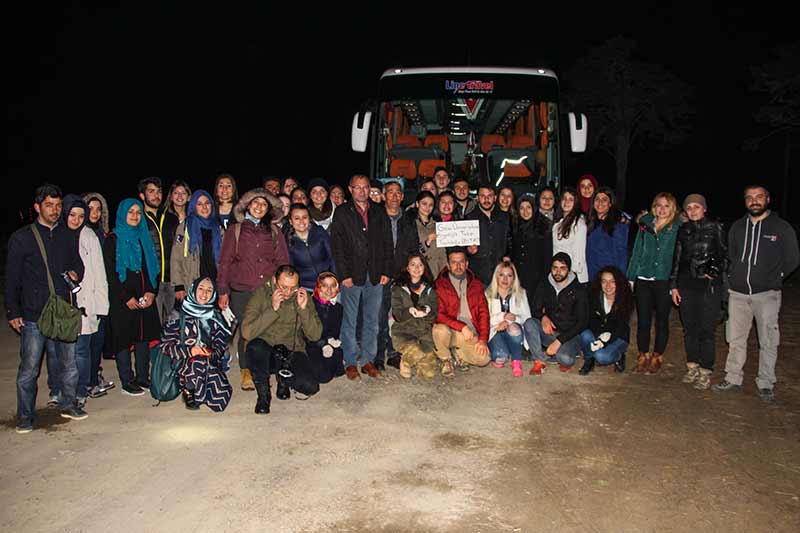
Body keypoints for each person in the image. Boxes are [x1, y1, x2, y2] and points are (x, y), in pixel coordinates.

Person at [6, 184, 87, 432]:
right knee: (29, 369)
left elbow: (78, 265)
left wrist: (76, 272)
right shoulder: (22, 238)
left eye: (58, 205)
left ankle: (69, 403)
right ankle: (25, 416)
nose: (54, 210)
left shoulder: (66, 235)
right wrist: (13, 311)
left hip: (62, 311)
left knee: (69, 363)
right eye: (49, 205)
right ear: (37, 207)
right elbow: (12, 278)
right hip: (34, 314)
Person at [714, 185, 799, 401]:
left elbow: (792, 259)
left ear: (768, 199)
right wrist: (733, 279)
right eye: (750, 197)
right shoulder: (737, 227)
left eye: (759, 197)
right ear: (745, 201)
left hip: (767, 294)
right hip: (738, 294)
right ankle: (733, 378)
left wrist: (775, 278)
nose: (754, 201)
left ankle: (766, 382)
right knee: (735, 338)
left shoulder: (780, 227)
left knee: (768, 340)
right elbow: (731, 256)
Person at [217, 188, 289, 391]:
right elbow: (225, 262)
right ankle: (246, 370)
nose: (259, 207)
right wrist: (223, 291)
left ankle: (267, 368)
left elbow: (283, 261)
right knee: (247, 331)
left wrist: (285, 287)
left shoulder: (274, 231)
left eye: (264, 204)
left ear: (268, 210)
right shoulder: (236, 230)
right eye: (255, 203)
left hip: (267, 289)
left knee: (269, 329)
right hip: (242, 290)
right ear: (248, 206)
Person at [329, 174, 393, 379]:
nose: (362, 191)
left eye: (365, 187)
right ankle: (350, 361)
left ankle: (367, 360)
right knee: (349, 321)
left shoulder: (378, 211)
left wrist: (386, 271)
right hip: (351, 275)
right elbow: (337, 247)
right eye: (358, 188)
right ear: (350, 189)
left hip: (375, 275)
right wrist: (344, 275)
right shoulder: (342, 212)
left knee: (372, 320)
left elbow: (387, 243)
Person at [241, 265, 323, 413]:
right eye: (284, 287)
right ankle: (263, 395)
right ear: (274, 280)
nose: (288, 292)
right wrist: (273, 309)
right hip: (266, 351)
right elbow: (246, 332)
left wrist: (304, 310)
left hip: (290, 351)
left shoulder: (302, 296)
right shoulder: (261, 294)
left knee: (310, 387)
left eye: (293, 287)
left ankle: (283, 379)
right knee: (255, 348)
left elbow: (315, 335)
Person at [104, 198, 161, 396]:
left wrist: (152, 291)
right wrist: (125, 297)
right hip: (123, 300)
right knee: (123, 338)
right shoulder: (112, 239)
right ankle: (127, 380)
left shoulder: (143, 236)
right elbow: (110, 273)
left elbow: (154, 266)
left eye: (138, 212)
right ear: (122, 214)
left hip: (145, 297)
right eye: (131, 212)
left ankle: (143, 377)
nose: (135, 216)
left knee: (143, 337)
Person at [669, 194, 727, 390]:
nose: (693, 210)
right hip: (687, 284)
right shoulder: (683, 230)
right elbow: (677, 259)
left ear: (704, 208)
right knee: (690, 328)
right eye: (689, 207)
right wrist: (673, 285)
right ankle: (692, 366)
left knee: (706, 330)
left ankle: (705, 370)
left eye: (696, 206)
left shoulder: (716, 227)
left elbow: (725, 255)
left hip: (708, 286)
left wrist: (714, 270)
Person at [62, 195, 109, 408]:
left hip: (85, 302)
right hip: (60, 304)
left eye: (81, 216)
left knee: (82, 351)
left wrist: (100, 306)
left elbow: (99, 274)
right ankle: (59, 392)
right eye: (72, 214)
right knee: (60, 354)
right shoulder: (56, 235)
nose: (77, 219)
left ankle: (81, 391)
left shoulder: (89, 236)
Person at [160, 277, 234, 411]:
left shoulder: (214, 315)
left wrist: (212, 352)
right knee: (197, 363)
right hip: (184, 361)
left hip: (209, 359)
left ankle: (202, 388)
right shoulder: (178, 314)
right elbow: (166, 345)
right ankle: (189, 389)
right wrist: (191, 351)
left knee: (220, 401)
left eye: (209, 290)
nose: (205, 294)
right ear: (193, 290)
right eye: (201, 289)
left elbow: (221, 342)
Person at [626, 192, 681, 374]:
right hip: (644, 278)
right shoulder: (645, 225)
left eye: (666, 206)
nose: (662, 209)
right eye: (658, 205)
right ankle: (643, 355)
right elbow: (637, 252)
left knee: (662, 321)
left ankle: (657, 355)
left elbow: (679, 257)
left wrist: (675, 282)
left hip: (663, 280)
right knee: (643, 320)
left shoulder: (677, 227)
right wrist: (631, 277)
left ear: (672, 208)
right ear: (653, 207)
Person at [525, 252, 588, 374]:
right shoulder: (544, 285)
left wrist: (559, 341)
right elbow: (534, 309)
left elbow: (582, 322)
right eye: (555, 268)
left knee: (566, 359)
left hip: (569, 336)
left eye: (562, 268)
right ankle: (540, 360)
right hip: (550, 332)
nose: (558, 272)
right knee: (529, 323)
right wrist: (543, 317)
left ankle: (559, 353)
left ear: (569, 270)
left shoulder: (579, 290)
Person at [432, 248, 491, 376]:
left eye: (461, 262)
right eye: (454, 262)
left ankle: (458, 354)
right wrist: (461, 327)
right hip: (451, 331)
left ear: (467, 264)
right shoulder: (440, 284)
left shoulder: (476, 284)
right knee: (439, 331)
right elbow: (438, 314)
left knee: (484, 359)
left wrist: (482, 340)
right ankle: (445, 358)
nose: (458, 266)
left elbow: (483, 313)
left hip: (470, 334)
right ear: (448, 265)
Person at [379, 179, 418, 369]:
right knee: (379, 316)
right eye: (390, 192)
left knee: (397, 316)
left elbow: (413, 248)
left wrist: (408, 274)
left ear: (402, 197)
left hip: (401, 276)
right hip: (380, 275)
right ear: (384, 196)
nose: (394, 196)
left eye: (397, 193)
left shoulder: (408, 220)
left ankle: (395, 352)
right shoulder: (376, 217)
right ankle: (379, 354)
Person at [82, 192, 115, 394]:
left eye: (98, 209)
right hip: (87, 294)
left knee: (98, 341)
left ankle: (94, 377)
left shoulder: (103, 234)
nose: (94, 212)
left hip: (103, 292)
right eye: (90, 208)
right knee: (85, 344)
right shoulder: (79, 233)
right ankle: (85, 382)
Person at [578, 267, 634, 375]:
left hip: (618, 336)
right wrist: (599, 337)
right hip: (599, 333)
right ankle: (589, 360)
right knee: (584, 334)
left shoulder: (626, 299)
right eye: (604, 281)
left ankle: (619, 356)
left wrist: (606, 340)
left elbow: (621, 326)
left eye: (612, 281)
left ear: (618, 282)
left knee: (602, 357)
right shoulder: (594, 296)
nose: (608, 286)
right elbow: (590, 320)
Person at [391, 254, 439, 379]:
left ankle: (417, 358)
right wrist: (409, 311)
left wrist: (427, 311)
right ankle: (406, 360)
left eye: (420, 265)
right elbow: (397, 315)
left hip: (423, 334)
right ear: (407, 268)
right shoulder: (398, 289)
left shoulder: (429, 289)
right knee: (416, 351)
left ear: (424, 267)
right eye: (413, 264)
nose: (416, 268)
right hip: (403, 332)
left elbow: (433, 315)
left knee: (429, 374)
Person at [138, 177, 178, 324]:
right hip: (150, 284)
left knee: (175, 324)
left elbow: (179, 251)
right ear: (142, 196)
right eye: (151, 191)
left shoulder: (171, 219)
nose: (156, 195)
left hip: (172, 281)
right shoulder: (139, 220)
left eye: (159, 191)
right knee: (153, 327)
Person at [171, 190, 222, 302]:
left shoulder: (219, 228)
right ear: (194, 206)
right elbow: (176, 258)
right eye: (199, 204)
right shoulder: (185, 227)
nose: (204, 207)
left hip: (214, 285)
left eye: (207, 203)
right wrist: (179, 285)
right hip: (192, 282)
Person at [486, 261, 532, 377]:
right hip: (495, 331)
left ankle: (516, 361)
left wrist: (510, 320)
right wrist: (501, 317)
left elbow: (527, 318)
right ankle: (504, 350)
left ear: (514, 278)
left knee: (514, 329)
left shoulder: (520, 293)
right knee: (500, 357)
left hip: (513, 331)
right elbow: (484, 320)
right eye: (502, 275)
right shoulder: (488, 294)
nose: (505, 279)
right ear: (496, 276)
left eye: (509, 275)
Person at [512, 192, 553, 300]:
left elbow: (547, 257)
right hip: (519, 278)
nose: (525, 211)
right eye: (521, 208)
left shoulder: (544, 227)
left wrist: (544, 281)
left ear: (534, 208)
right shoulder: (516, 226)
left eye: (528, 207)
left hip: (537, 280)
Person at [466, 185, 510, 286]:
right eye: (482, 196)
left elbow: (510, 240)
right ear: (477, 198)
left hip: (501, 274)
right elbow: (464, 247)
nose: (486, 199)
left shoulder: (504, 217)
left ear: (495, 197)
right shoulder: (469, 218)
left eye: (489, 195)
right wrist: (469, 250)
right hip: (478, 274)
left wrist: (508, 255)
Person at [306, 272, 345, 384]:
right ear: (318, 287)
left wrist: (329, 342)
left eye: (332, 286)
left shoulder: (337, 308)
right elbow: (306, 334)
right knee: (323, 377)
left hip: (328, 343)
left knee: (337, 368)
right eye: (324, 285)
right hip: (311, 344)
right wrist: (323, 343)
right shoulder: (309, 304)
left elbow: (335, 332)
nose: (329, 290)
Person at [286, 203, 336, 291]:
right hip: (306, 287)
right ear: (290, 221)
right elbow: (291, 268)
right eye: (297, 218)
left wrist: (334, 278)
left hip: (329, 284)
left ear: (309, 218)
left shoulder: (319, 232)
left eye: (305, 217)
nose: (301, 221)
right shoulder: (288, 241)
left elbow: (333, 256)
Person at [586, 186, 630, 281]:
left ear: (610, 204)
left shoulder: (618, 225)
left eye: (604, 199)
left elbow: (622, 255)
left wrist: (620, 279)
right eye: (597, 199)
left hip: (610, 278)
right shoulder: (590, 224)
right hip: (593, 276)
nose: (600, 203)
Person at [552, 187, 588, 284]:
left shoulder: (579, 224)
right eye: (564, 198)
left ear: (576, 203)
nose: (566, 202)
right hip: (559, 275)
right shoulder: (557, 223)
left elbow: (579, 256)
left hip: (574, 277)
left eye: (570, 199)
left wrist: (569, 275)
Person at [414, 191, 447, 278]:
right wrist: (427, 243)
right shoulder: (411, 225)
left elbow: (443, 250)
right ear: (417, 204)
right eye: (424, 204)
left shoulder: (437, 224)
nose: (427, 207)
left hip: (439, 269)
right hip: (420, 270)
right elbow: (410, 250)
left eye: (430, 205)